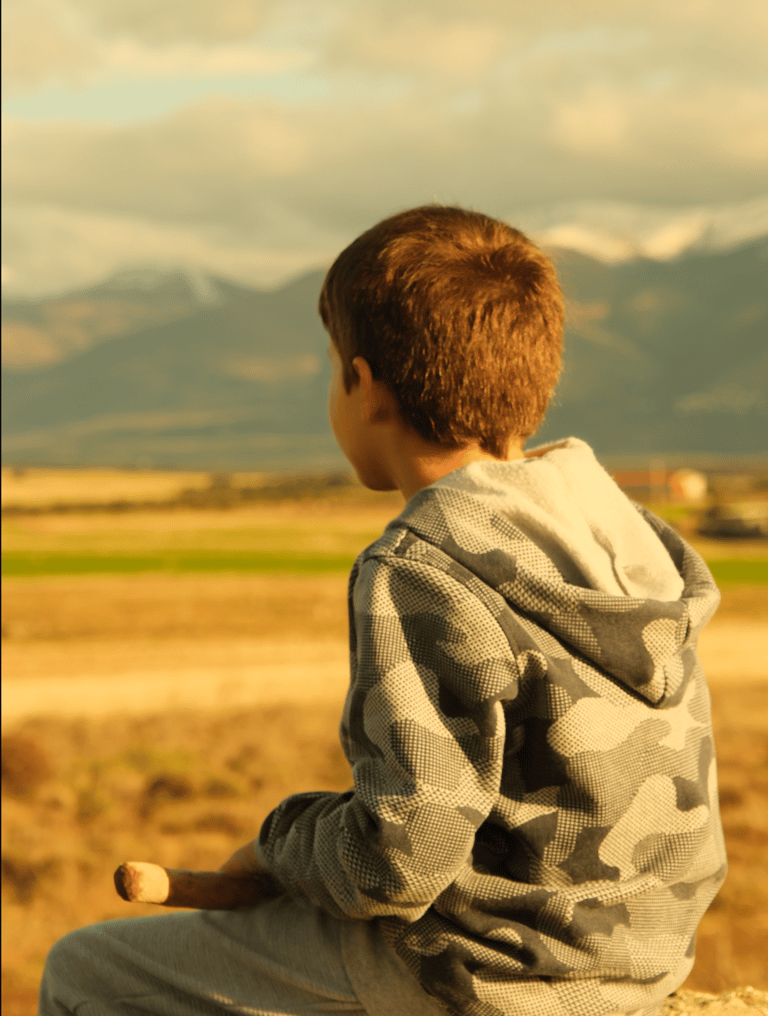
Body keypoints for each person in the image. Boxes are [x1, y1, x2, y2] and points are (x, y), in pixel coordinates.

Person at [39, 205, 726, 1016]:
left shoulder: (422, 566)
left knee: (86, 970)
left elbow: (398, 861)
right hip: (641, 962)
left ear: (365, 387)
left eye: (332, 365)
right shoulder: (620, 533)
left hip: (487, 975)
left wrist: (278, 845)